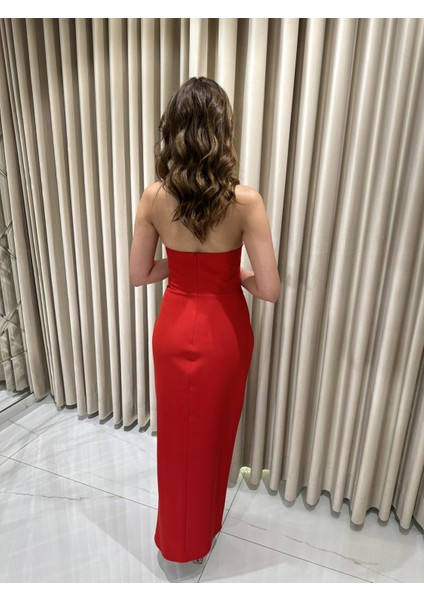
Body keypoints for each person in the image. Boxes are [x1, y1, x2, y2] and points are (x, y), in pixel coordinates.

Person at [129, 76, 280, 564]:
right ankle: (205, 528)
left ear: (171, 130)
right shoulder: (245, 201)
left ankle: (178, 536)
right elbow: (270, 289)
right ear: (222, 131)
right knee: (214, 435)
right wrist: (228, 272)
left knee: (176, 441)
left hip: (174, 329)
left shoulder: (153, 197)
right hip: (224, 333)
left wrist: (182, 265)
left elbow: (139, 274)